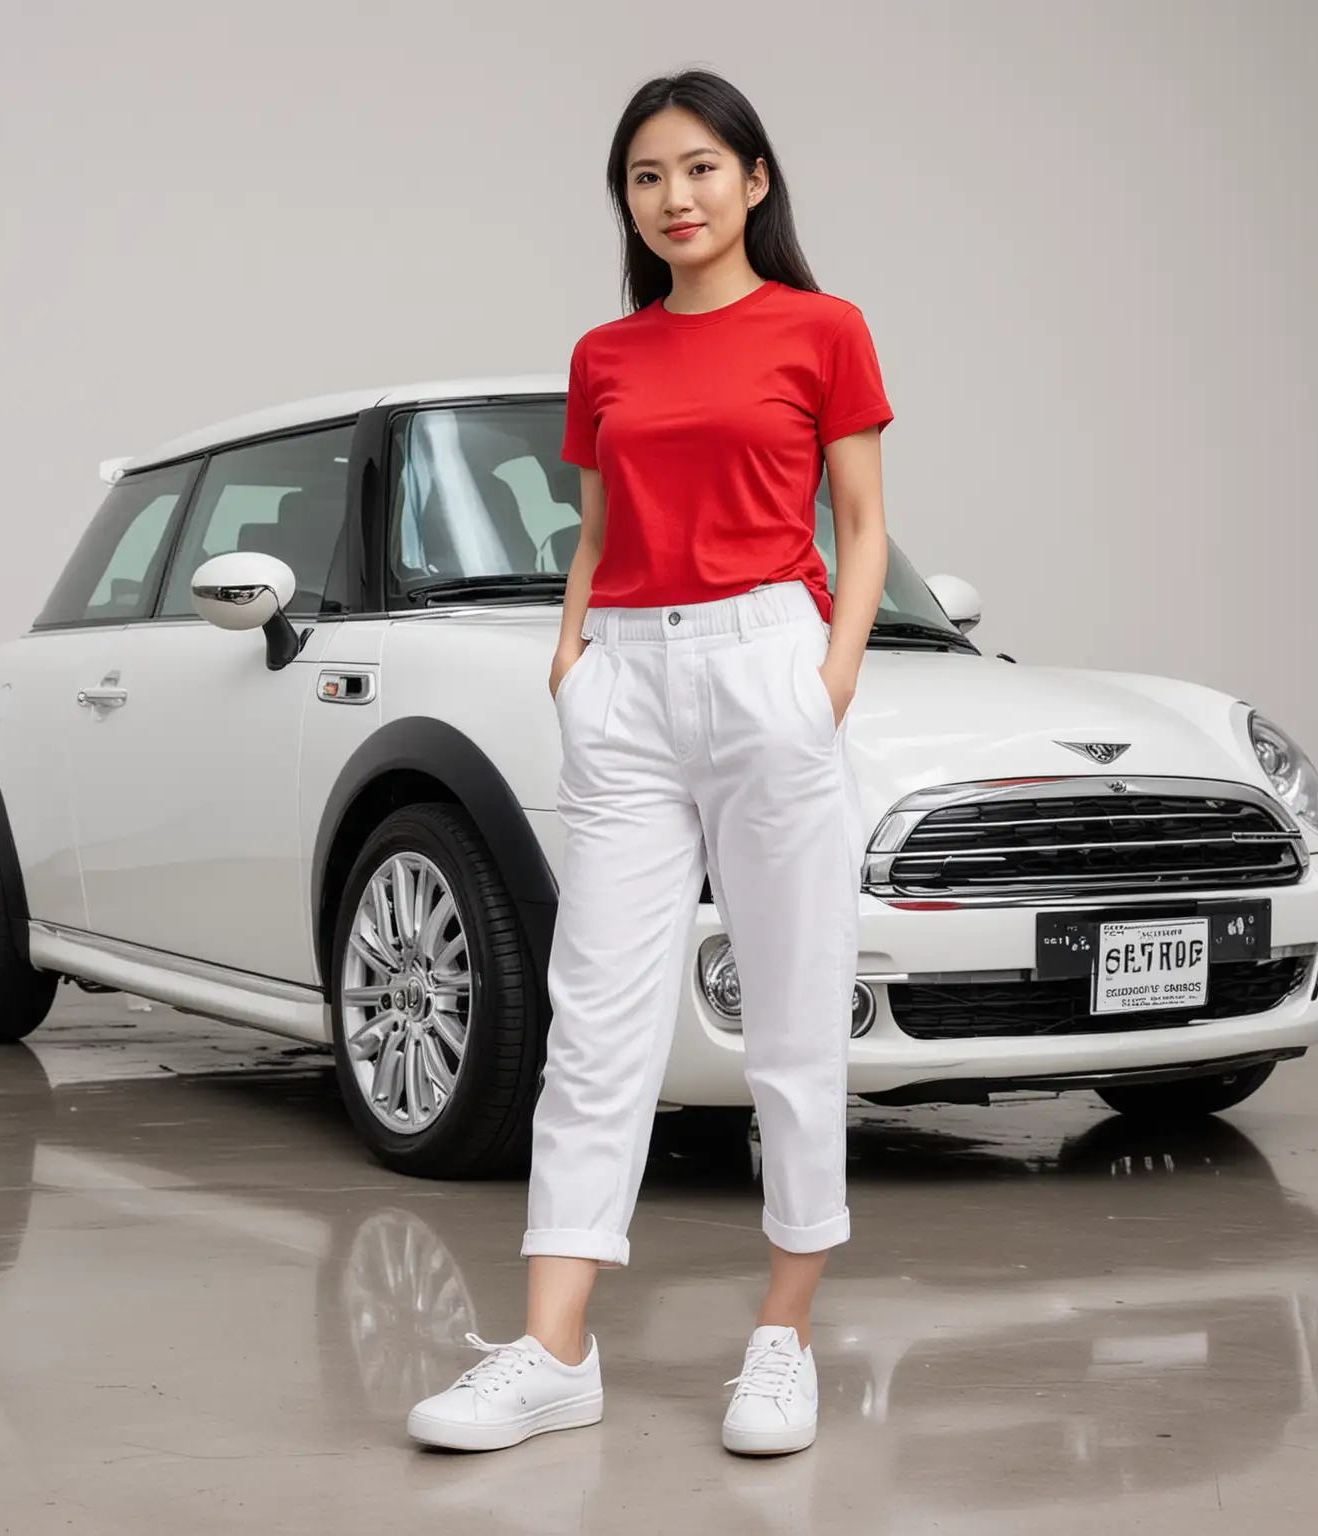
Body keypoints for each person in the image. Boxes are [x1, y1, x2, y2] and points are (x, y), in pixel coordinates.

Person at [407, 67, 892, 1458]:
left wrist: (829, 678)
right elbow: (598, 525)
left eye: (697, 168)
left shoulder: (823, 330)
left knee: (793, 1023)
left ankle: (784, 1333)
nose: (673, 197)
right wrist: (572, 655)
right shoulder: (605, 356)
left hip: (767, 670)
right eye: (644, 176)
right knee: (598, 1022)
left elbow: (860, 524)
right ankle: (555, 1349)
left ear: (753, 179)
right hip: (623, 676)